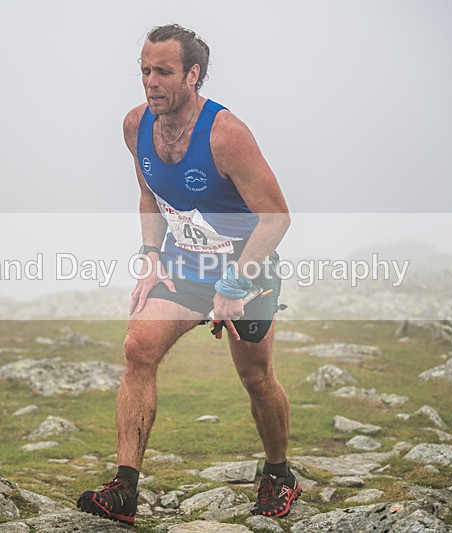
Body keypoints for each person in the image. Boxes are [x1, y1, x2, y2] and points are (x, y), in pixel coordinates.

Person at [76, 23, 296, 525]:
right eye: (145, 71)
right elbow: (150, 193)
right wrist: (151, 254)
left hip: (246, 268)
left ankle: (279, 475)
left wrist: (235, 284)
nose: (151, 82)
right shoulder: (136, 126)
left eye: (164, 72)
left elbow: (277, 218)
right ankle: (124, 489)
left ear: (193, 74)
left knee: (257, 377)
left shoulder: (226, 136)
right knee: (138, 349)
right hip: (183, 265)